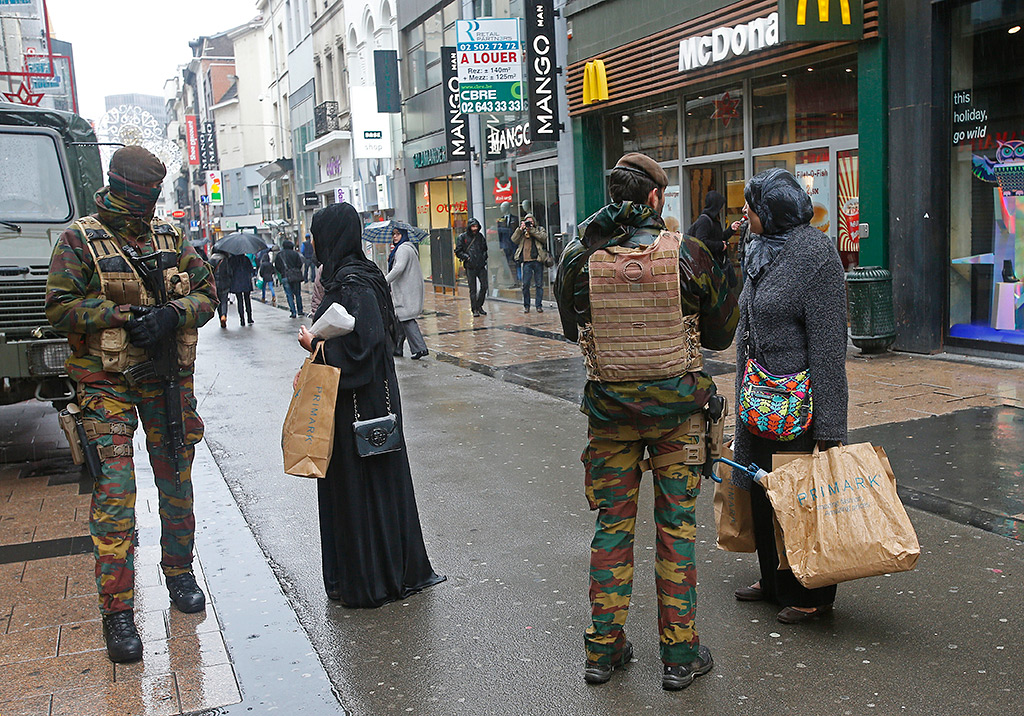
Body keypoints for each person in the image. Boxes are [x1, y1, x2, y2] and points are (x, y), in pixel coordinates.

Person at [555, 152, 739, 691]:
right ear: (657, 198)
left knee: (611, 527)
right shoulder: (691, 255)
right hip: (679, 420)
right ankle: (680, 656)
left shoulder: (578, 260)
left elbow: (573, 330)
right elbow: (721, 335)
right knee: (676, 529)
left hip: (610, 419)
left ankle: (603, 651)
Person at [44, 146, 217, 663]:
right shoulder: (79, 238)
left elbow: (207, 291)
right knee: (116, 492)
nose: (147, 207)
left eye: (153, 197)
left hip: (164, 379)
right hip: (106, 384)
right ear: (117, 187)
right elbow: (59, 306)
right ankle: (118, 610)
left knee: (176, 478)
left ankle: (179, 573)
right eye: (141, 196)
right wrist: (119, 315)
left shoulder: (169, 235)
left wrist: (173, 314)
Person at [296, 202, 445, 607]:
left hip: (357, 405)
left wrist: (315, 345)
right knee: (378, 485)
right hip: (374, 399)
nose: (314, 243)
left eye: (317, 235)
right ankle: (389, 567)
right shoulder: (364, 275)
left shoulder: (350, 283)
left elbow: (363, 347)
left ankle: (370, 578)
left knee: (358, 489)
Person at [731, 168, 849, 624]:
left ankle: (812, 594)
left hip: (797, 404)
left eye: (751, 205)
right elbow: (747, 317)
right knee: (761, 490)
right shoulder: (757, 248)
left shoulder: (816, 254)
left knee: (800, 498)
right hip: (757, 398)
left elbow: (828, 346)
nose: (744, 211)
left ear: (772, 211)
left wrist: (831, 429)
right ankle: (772, 578)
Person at [385, 226, 428, 359]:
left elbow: (399, 268)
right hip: (408, 290)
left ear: (403, 235)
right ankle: (398, 348)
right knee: (401, 320)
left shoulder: (403, 249)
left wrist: (384, 280)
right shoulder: (406, 248)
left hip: (406, 291)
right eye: (393, 234)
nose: (395, 237)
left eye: (398, 234)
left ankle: (420, 348)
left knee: (407, 319)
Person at [512, 213, 550, 313]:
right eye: (527, 222)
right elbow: (514, 239)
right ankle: (526, 306)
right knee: (525, 285)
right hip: (526, 262)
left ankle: (538, 305)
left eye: (531, 221)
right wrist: (520, 229)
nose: (530, 223)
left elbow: (544, 238)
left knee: (539, 285)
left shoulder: (539, 229)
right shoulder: (522, 232)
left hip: (537, 260)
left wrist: (532, 230)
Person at [686, 190, 737, 263]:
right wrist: (720, 246)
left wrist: (731, 230)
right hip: (706, 264)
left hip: (714, 262)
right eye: (720, 206)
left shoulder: (714, 220)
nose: (721, 209)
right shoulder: (704, 221)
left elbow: (718, 238)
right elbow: (701, 242)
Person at [454, 217, 488, 317]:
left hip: (480, 265)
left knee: (484, 286)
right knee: (472, 289)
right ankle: (474, 309)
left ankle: (479, 305)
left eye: (476, 226)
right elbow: (458, 251)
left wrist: (484, 257)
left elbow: (484, 248)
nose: (475, 228)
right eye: (473, 226)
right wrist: (467, 257)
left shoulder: (480, 236)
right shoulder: (462, 237)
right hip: (470, 266)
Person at [275, 240, 305, 318]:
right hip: (295, 276)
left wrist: (282, 272)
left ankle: (293, 312)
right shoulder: (295, 254)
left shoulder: (280, 255)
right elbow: (300, 264)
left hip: (285, 276)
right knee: (298, 294)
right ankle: (300, 311)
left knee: (289, 295)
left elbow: (277, 266)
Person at [497, 201, 521, 287]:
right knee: (507, 263)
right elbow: (499, 234)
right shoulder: (500, 220)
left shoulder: (515, 219)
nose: (501, 209)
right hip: (505, 244)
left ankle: (519, 279)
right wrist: (500, 246)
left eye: (503, 207)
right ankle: (512, 281)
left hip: (514, 244)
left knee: (517, 261)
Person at [227, 253, 255, 325]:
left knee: (239, 300)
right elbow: (251, 270)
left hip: (236, 282)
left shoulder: (232, 260)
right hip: (246, 281)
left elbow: (229, 271)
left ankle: (242, 319)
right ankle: (249, 317)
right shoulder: (246, 259)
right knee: (247, 299)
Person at [211, 251, 232, 328]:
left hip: (215, 285)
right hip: (224, 283)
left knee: (218, 302)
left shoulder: (211, 260)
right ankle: (224, 315)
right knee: (224, 301)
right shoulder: (225, 260)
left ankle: (220, 318)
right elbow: (229, 272)